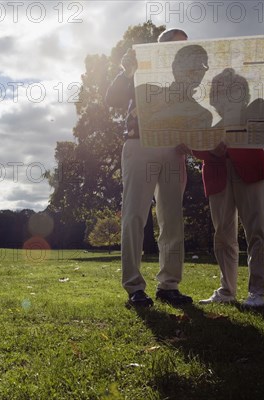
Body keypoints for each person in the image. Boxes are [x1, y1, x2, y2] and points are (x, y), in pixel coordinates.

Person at [192, 38, 264, 308]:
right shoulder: (207, 122)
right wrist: (212, 151)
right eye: (220, 92)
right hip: (218, 175)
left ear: (242, 93)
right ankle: (226, 290)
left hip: (249, 171)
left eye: (232, 91)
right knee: (223, 234)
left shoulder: (256, 111)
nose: (225, 96)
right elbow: (192, 146)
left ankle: (257, 292)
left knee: (256, 232)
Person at [106, 28, 209, 307]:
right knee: (134, 217)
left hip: (173, 151)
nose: (183, 52)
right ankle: (134, 288)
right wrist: (127, 70)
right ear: (159, 48)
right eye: (177, 46)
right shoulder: (140, 68)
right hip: (140, 145)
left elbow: (194, 115)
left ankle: (169, 286)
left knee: (172, 220)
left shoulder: (187, 83)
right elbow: (112, 101)